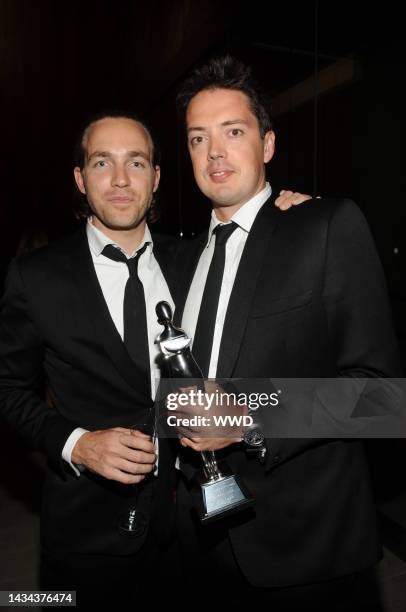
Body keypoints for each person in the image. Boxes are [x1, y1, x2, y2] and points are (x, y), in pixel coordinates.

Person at [173, 56, 401, 610]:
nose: (215, 152)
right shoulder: (178, 261)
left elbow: (383, 397)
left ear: (268, 145)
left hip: (306, 551)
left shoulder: (324, 227)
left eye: (234, 131)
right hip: (200, 547)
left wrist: (247, 417)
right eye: (198, 138)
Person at [0, 111, 179, 610]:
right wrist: (76, 445)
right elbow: (6, 387)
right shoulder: (36, 277)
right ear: (80, 178)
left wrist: (290, 213)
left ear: (156, 177)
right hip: (85, 534)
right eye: (103, 162)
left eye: (136, 163)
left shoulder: (193, 261)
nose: (121, 180)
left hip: (188, 528)